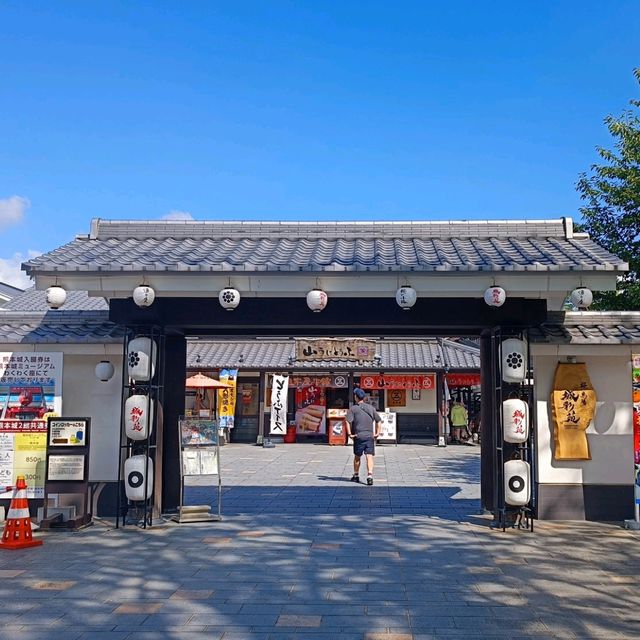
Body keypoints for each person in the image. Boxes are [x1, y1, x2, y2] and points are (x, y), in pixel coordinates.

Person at [346, 388, 382, 485]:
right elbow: (379, 420)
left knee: (357, 456)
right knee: (369, 456)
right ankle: (370, 476)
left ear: (356, 397)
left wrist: (349, 434)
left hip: (359, 436)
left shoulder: (353, 409)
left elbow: (348, 421)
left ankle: (356, 475)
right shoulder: (371, 408)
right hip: (370, 436)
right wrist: (377, 433)